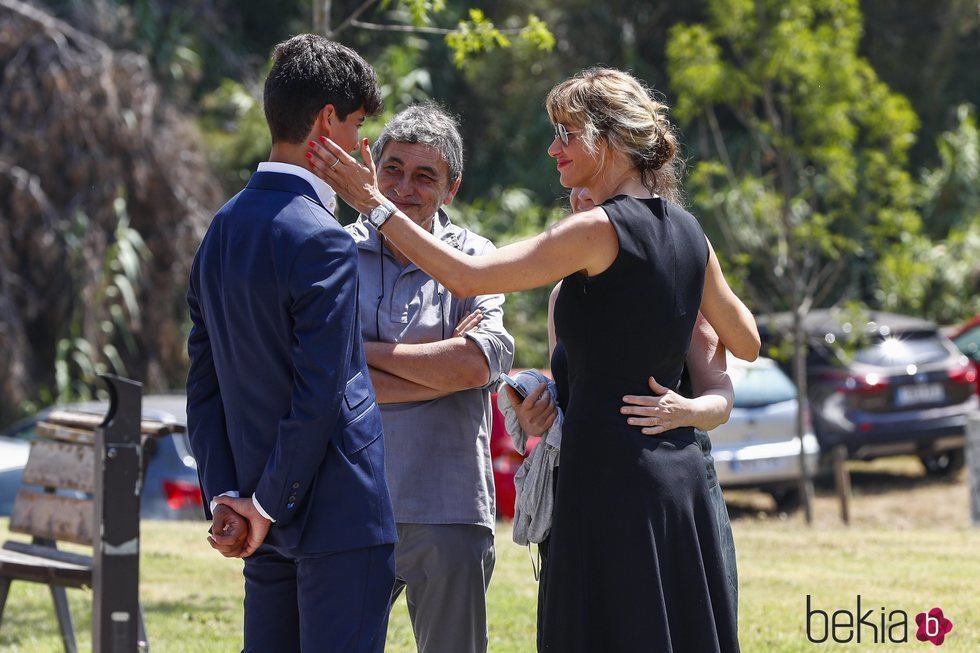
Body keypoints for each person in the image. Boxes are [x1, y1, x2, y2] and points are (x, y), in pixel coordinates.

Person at [312, 66, 760, 651]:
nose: (554, 148)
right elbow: (747, 341)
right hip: (678, 485)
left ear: (609, 140)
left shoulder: (596, 229)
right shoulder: (690, 232)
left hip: (608, 482)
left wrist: (373, 202)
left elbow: (466, 274)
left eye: (566, 134)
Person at [185, 34, 396, 653]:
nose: (361, 145)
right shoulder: (323, 238)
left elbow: (204, 381)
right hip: (337, 518)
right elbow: (319, 392)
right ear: (327, 122)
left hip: (259, 516)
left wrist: (231, 497)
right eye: (357, 126)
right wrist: (267, 503)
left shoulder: (221, 229)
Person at [345, 103, 515, 653]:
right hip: (348, 502)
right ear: (372, 171)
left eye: (425, 176)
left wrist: (359, 352)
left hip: (449, 503)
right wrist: (441, 370)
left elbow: (477, 364)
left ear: (451, 189)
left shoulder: (474, 257)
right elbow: (315, 373)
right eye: (392, 169)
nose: (403, 188)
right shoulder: (335, 250)